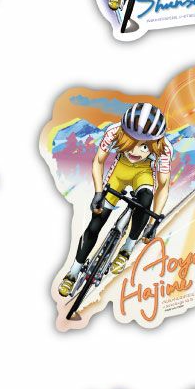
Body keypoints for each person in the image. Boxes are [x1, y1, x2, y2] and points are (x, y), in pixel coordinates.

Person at [58, 102, 171, 296]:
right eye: (131, 144)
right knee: (96, 223)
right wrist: (98, 193)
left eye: (144, 147)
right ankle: (73, 272)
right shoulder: (114, 131)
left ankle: (127, 248)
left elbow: (163, 186)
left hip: (143, 175)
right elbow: (98, 161)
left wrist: (153, 223)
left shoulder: (164, 148)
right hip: (118, 173)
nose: (135, 152)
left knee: (146, 200)